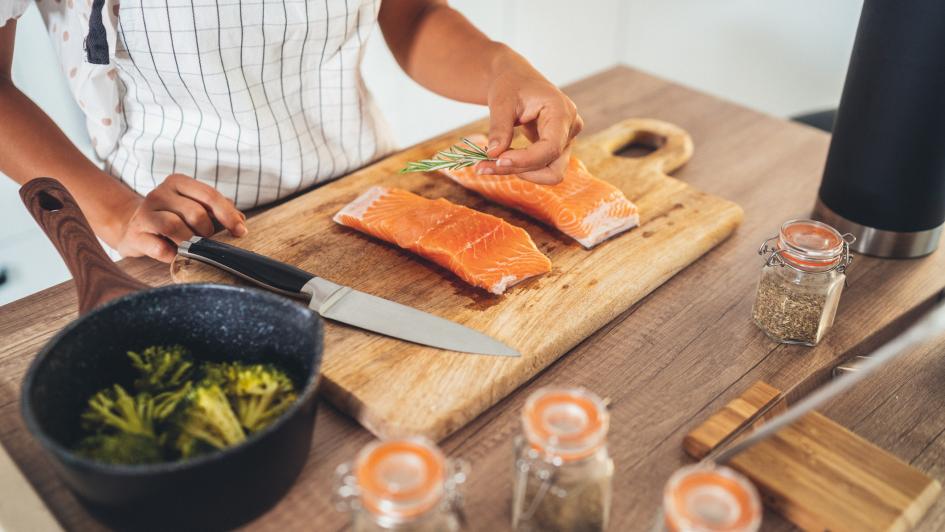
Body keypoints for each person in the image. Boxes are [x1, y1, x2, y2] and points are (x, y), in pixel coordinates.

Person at [0, 0, 582, 263]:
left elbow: (412, 13)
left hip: (366, 190)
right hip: (181, 237)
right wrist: (113, 211)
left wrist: (499, 67)